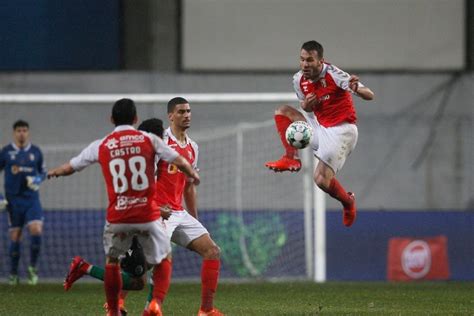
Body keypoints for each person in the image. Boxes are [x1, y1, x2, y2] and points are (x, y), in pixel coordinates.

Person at [63, 98, 224, 316]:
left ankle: (206, 310)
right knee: (141, 271)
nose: (186, 115)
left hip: (178, 212)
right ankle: (119, 300)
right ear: (171, 116)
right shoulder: (157, 140)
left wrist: (195, 218)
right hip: (156, 212)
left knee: (212, 251)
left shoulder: (193, 147)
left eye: (188, 111)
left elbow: (188, 186)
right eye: (181, 112)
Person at [265, 40, 374, 227]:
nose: (305, 64)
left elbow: (370, 94)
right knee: (282, 111)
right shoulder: (298, 80)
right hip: (321, 127)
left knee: (321, 180)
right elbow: (304, 106)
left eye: (310, 60)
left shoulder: (334, 74)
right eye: (302, 60)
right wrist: (306, 106)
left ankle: (348, 202)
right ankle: (291, 158)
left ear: (320, 61)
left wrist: (357, 89)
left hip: (342, 131)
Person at [0, 120, 46, 285]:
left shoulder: (36, 152)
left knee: (36, 229)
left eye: (24, 130)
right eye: (19, 130)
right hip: (13, 202)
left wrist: (37, 179)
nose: (22, 133)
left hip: (31, 200)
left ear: (28, 132)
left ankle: (32, 268)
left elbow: (43, 172)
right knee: (15, 236)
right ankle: (13, 273)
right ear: (14, 133)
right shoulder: (6, 152)